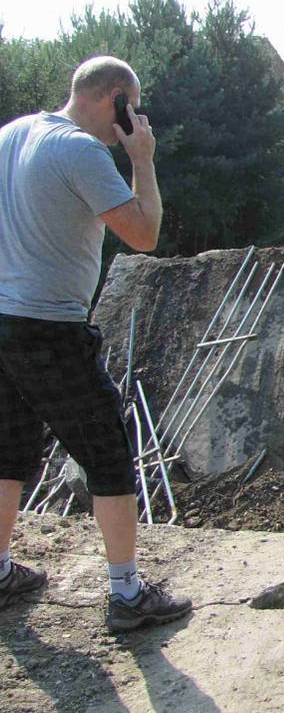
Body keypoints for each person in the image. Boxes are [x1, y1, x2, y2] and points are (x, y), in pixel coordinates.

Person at [0, 56, 191, 630]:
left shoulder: (11, 135)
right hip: (48, 328)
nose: (132, 121)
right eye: (131, 108)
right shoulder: (80, 150)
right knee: (109, 453)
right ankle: (127, 594)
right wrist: (142, 160)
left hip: (1, 319)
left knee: (6, 452)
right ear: (115, 99)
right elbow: (145, 234)